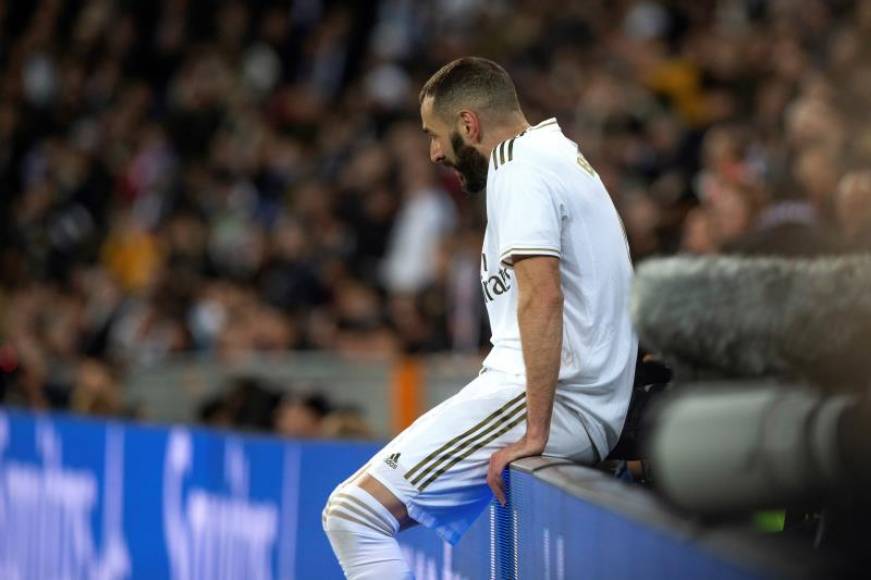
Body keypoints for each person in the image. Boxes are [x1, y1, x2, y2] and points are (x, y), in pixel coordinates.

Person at [322, 57, 638, 579]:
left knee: (354, 514)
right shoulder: (557, 155)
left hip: (556, 398)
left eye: (436, 135)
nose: (434, 152)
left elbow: (543, 297)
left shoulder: (519, 165)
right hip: (570, 396)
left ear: (468, 125)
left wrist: (536, 430)